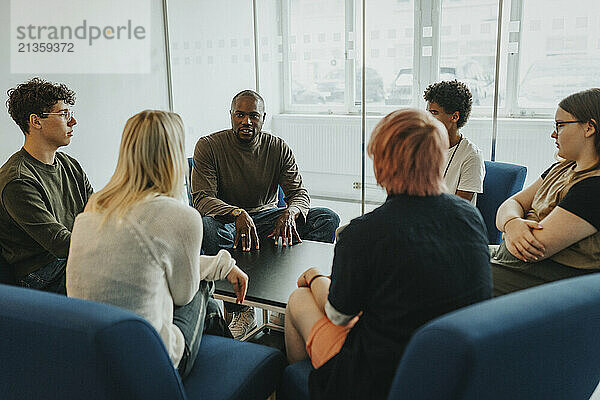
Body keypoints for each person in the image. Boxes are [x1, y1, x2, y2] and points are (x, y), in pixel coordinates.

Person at [284, 109, 491, 400]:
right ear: (438, 159)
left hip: (381, 379)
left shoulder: (363, 232)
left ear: (382, 163)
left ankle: (303, 384)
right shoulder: (469, 217)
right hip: (451, 367)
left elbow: (339, 314)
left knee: (298, 298)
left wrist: (315, 277)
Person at [66, 110, 249, 379]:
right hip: (153, 364)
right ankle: (235, 364)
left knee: (197, 295)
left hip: (95, 357)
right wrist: (219, 267)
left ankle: (230, 352)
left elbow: (155, 263)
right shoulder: (180, 216)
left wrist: (223, 265)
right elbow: (183, 294)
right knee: (202, 287)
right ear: (174, 156)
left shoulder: (95, 207)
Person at [192, 89, 340, 339]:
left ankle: (291, 299)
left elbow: (299, 194)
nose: (246, 121)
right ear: (231, 115)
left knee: (327, 218)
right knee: (207, 227)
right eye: (240, 115)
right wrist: (235, 212)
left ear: (263, 117)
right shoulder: (209, 146)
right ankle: (240, 309)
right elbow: (202, 198)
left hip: (266, 220)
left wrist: (291, 213)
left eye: (253, 116)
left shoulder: (277, 147)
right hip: (229, 222)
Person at [491, 88, 600, 296]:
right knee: (440, 256)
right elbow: (509, 204)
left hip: (546, 281)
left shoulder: (593, 188)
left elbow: (533, 248)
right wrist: (513, 223)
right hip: (512, 265)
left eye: (560, 125)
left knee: (440, 272)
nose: (553, 133)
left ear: (589, 128)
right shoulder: (561, 168)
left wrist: (514, 221)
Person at [0, 77, 92, 293]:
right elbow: (60, 243)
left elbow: (97, 214)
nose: (73, 122)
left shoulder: (71, 165)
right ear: (36, 121)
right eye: (63, 114)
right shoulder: (17, 180)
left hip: (70, 257)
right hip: (42, 273)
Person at [424, 80, 485, 205]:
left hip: (449, 221)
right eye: (427, 112)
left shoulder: (471, 156)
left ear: (455, 117)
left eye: (434, 113)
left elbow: (458, 208)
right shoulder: (425, 147)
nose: (427, 118)